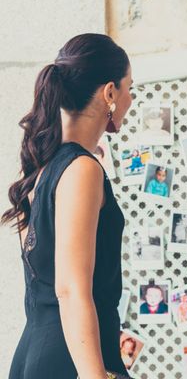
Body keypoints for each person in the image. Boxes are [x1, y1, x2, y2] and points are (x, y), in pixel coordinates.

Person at [5, 34, 133, 378]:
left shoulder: (39, 169)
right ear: (109, 92)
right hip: (70, 362)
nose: (130, 99)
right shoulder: (81, 169)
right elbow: (69, 288)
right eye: (129, 88)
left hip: (38, 354)